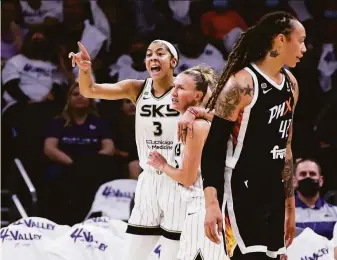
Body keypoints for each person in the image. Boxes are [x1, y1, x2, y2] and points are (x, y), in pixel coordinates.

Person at [181, 11, 306, 259]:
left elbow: (286, 148)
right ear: (280, 40)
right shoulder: (241, 84)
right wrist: (212, 204)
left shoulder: (291, 84)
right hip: (241, 191)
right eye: (300, 40)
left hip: (274, 193)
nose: (304, 48)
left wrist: (290, 208)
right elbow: (213, 150)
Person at [69, 39, 190, 260]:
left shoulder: (188, 91)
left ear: (173, 61)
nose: (152, 57)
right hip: (149, 179)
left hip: (178, 179)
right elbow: (90, 90)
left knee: (175, 252)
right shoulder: (137, 88)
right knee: (135, 253)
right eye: (149, 54)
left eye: (160, 54)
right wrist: (85, 70)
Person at [147, 65, 227, 260]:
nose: (173, 92)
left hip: (206, 209)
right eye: (174, 86)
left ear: (198, 96)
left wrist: (162, 165)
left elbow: (188, 178)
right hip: (198, 210)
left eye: (180, 88)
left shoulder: (197, 126)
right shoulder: (191, 121)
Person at [294, 158, 337, 240]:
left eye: (312, 174)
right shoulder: (283, 215)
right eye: (303, 174)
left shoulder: (335, 213)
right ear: (294, 182)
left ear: (321, 181)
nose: (308, 177)